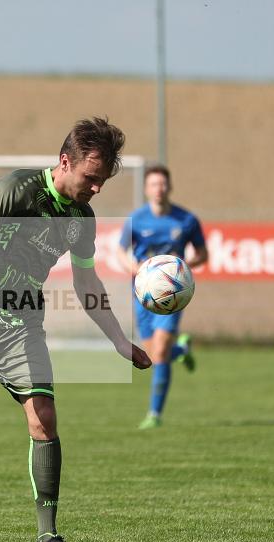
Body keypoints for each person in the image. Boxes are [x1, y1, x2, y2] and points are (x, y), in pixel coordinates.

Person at [0, 117, 152, 542]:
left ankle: (47, 537)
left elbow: (88, 285)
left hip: (22, 326)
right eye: (91, 177)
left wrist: (119, 342)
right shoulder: (16, 190)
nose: (97, 188)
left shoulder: (81, 220)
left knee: (43, 416)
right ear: (65, 162)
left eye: (103, 180)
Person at [115, 164, 208, 430]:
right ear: (146, 189)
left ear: (170, 187)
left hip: (173, 293)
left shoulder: (186, 220)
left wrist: (182, 268)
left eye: (163, 184)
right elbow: (121, 252)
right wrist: (135, 268)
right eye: (154, 184)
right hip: (144, 295)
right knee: (155, 355)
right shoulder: (136, 219)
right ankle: (183, 349)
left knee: (161, 349)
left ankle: (154, 414)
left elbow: (203, 254)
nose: (159, 189)